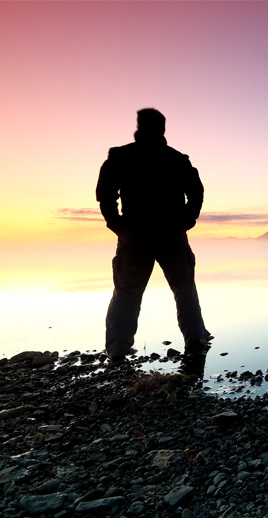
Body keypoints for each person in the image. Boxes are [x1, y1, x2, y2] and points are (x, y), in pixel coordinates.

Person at [96, 108, 211, 365]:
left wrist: (119, 227)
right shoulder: (176, 159)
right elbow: (196, 193)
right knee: (183, 290)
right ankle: (196, 340)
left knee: (127, 292)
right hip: (167, 236)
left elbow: (105, 196)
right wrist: (186, 221)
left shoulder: (121, 157)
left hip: (138, 237)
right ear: (162, 129)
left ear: (140, 126)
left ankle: (117, 350)